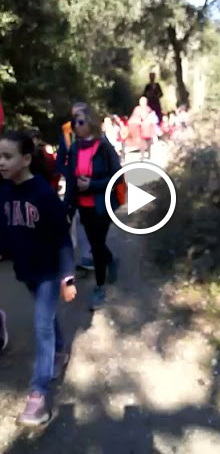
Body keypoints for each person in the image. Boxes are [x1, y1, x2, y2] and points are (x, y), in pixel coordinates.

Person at [0, 131, 76, 427]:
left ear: (27, 159)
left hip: (49, 271)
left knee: (41, 324)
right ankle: (60, 351)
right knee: (48, 315)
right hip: (26, 270)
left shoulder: (43, 194)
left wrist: (68, 275)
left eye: (7, 157)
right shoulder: (4, 191)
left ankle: (38, 396)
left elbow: (62, 238)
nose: (1, 163)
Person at [64, 103, 121, 310]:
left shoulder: (104, 146)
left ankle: (99, 287)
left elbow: (118, 176)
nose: (76, 126)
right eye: (74, 123)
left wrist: (93, 184)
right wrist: (67, 210)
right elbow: (71, 181)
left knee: (97, 245)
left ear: (90, 122)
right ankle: (111, 261)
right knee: (96, 242)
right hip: (83, 206)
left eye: (80, 122)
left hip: (103, 204)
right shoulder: (75, 148)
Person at [56, 103, 94, 271]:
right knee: (74, 219)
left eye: (81, 116)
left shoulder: (96, 134)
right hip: (74, 186)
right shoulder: (66, 132)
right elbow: (60, 161)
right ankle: (84, 257)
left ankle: (97, 256)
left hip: (92, 185)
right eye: (75, 116)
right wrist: (69, 174)